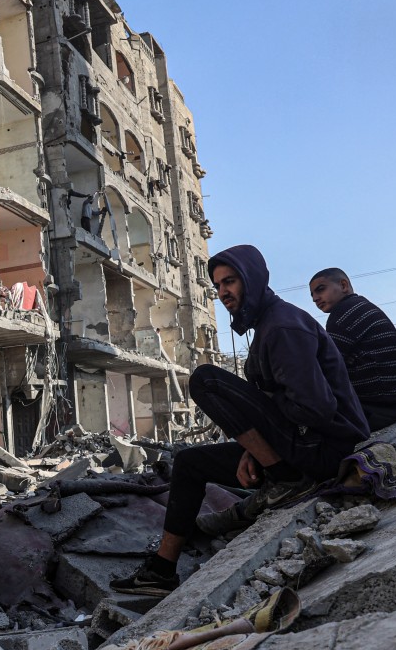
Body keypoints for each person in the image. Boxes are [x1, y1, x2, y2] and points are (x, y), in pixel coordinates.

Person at [111, 245, 369, 597]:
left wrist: (268, 444)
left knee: (206, 379)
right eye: (217, 287)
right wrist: (256, 447)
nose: (223, 294)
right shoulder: (267, 327)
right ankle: (161, 571)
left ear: (253, 279)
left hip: (326, 448)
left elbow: (317, 408)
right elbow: (272, 407)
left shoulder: (283, 327)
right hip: (299, 446)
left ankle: (285, 479)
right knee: (188, 463)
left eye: (230, 282)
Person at [310, 267, 396, 430]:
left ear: (343, 285)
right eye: (312, 295)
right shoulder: (360, 306)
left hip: (373, 411)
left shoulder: (343, 315)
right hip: (391, 404)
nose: (315, 298)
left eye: (320, 289)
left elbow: (327, 368)